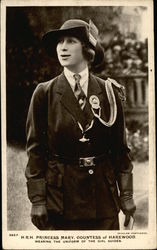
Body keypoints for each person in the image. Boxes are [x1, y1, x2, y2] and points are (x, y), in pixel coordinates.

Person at [25, 19, 136, 230]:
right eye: (59, 42)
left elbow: (121, 149)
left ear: (87, 49)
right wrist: (38, 200)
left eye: (71, 41)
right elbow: (35, 151)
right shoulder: (44, 93)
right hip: (60, 200)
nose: (63, 47)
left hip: (102, 199)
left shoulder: (108, 92)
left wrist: (127, 194)